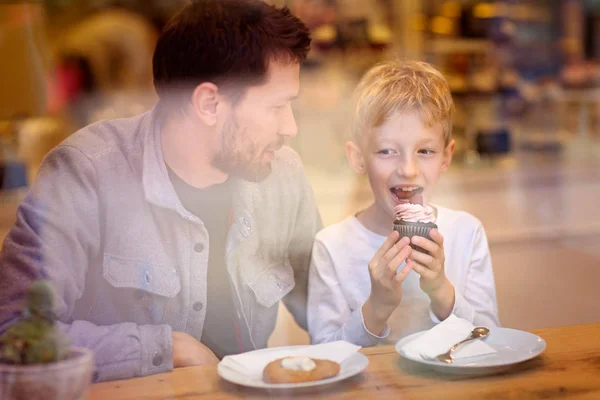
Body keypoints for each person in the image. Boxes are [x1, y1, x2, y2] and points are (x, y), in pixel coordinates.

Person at [0, 0, 321, 382]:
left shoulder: (282, 174)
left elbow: (328, 313)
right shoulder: (85, 175)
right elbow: (15, 336)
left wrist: (382, 296)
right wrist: (166, 348)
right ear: (208, 103)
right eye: (278, 106)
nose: (291, 128)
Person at [307, 60, 499, 346]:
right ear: (358, 158)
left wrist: (441, 291)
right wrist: (376, 309)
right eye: (387, 151)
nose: (408, 169)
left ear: (446, 156)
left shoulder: (466, 233)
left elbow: (490, 340)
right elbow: (325, 357)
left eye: (425, 150)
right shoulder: (332, 247)